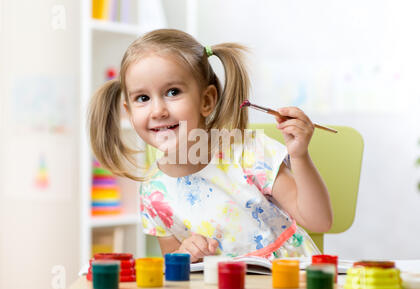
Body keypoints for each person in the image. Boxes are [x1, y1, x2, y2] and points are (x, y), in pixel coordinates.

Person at [88, 29, 333, 263]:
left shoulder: (248, 152)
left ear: (207, 100)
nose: (158, 110)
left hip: (285, 284)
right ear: (129, 113)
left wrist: (299, 156)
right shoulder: (154, 192)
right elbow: (175, 266)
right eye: (143, 98)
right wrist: (186, 254)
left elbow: (320, 221)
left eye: (173, 92)